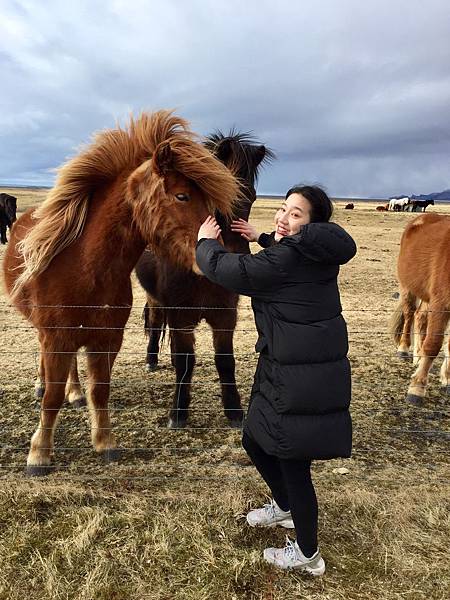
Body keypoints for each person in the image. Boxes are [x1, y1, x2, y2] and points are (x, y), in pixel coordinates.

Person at [195, 185, 357, 575]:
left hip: (299, 375)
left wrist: (205, 245)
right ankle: (284, 508)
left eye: (296, 214)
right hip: (287, 367)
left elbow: (236, 271)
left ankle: (307, 555)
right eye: (283, 209)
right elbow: (285, 255)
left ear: (313, 225)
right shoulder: (310, 252)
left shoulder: (287, 260)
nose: (284, 218)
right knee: (254, 437)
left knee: (293, 462)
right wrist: (263, 237)